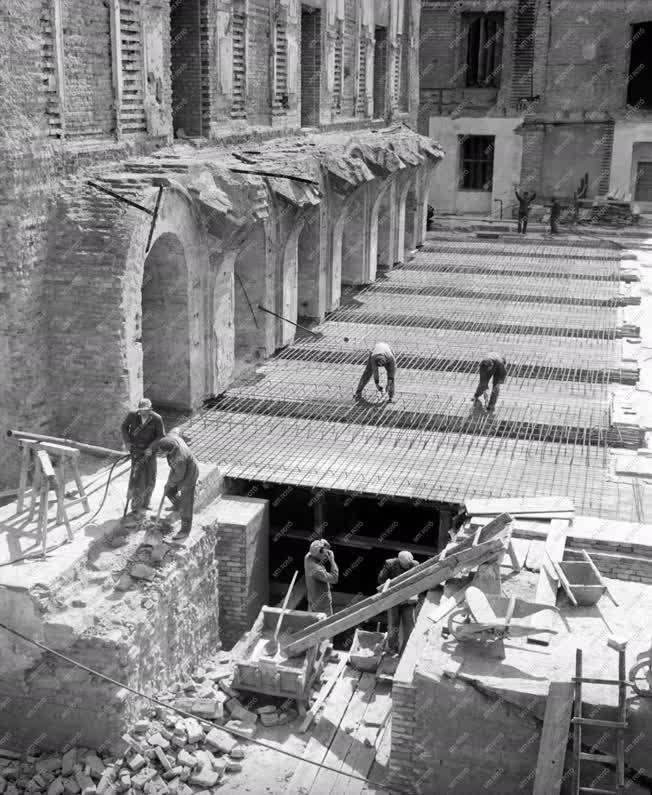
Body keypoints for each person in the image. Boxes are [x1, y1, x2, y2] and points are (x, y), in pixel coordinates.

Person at [121, 398, 165, 516]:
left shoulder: (157, 419)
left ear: (150, 410)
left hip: (150, 453)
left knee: (151, 478)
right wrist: (127, 442)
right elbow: (124, 427)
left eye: (145, 410)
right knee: (137, 478)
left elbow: (160, 436)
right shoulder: (132, 415)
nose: (142, 413)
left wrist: (151, 447)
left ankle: (146, 503)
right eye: (140, 410)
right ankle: (135, 506)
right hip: (136, 451)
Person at [155, 434, 199, 538]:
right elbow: (174, 470)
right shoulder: (173, 443)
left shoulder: (179, 458)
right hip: (181, 471)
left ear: (169, 450)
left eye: (162, 451)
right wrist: (169, 483)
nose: (160, 452)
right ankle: (177, 505)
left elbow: (179, 475)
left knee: (186, 504)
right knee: (169, 491)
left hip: (189, 477)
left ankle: (185, 530)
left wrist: (170, 483)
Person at [378, 551, 419, 653]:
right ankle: (392, 648)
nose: (406, 566)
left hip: (408, 601)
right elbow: (381, 580)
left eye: (408, 564)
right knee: (393, 626)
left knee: (409, 625)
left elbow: (419, 580)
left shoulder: (415, 564)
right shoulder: (390, 564)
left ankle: (407, 649)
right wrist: (393, 586)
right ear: (398, 560)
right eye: (404, 565)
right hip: (394, 600)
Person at [304, 539, 339, 616]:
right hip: (322, 607)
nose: (326, 555)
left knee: (311, 625)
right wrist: (332, 560)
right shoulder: (316, 569)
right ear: (317, 554)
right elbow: (334, 579)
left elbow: (323, 544)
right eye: (324, 553)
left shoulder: (308, 556)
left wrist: (325, 546)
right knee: (326, 626)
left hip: (312, 601)